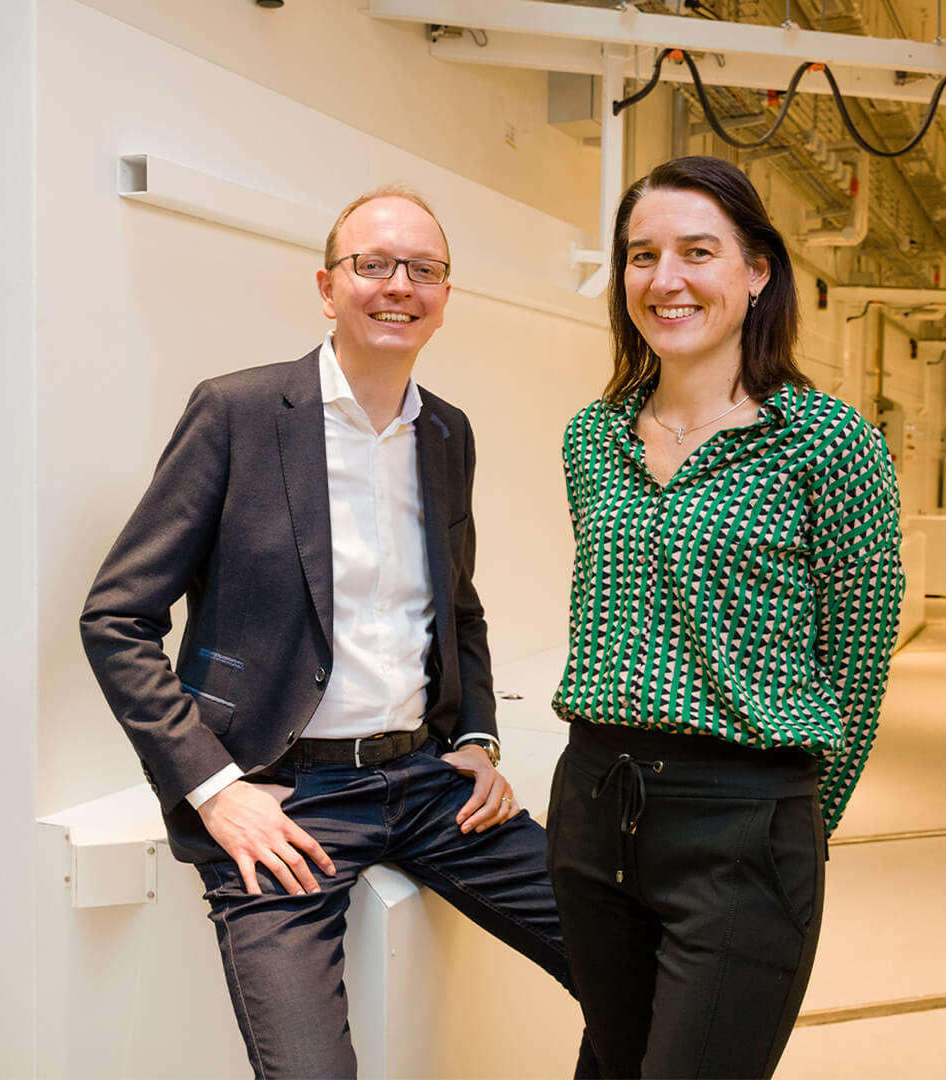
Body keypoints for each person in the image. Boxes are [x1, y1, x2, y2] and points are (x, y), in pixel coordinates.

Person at [81, 185, 594, 1079]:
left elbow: (457, 606)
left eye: (424, 270)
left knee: (631, 973)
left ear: (444, 297)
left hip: (430, 787)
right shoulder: (237, 414)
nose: (400, 285)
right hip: (286, 800)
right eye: (374, 264)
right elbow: (116, 618)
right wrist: (214, 788)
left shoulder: (446, 431)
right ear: (328, 287)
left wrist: (474, 735)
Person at [546, 155, 905, 1078]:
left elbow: (857, 662)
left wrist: (793, 824)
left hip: (744, 819)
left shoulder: (826, 440)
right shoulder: (592, 437)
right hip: (594, 807)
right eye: (641, 255)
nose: (664, 280)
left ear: (757, 273)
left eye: (697, 252)